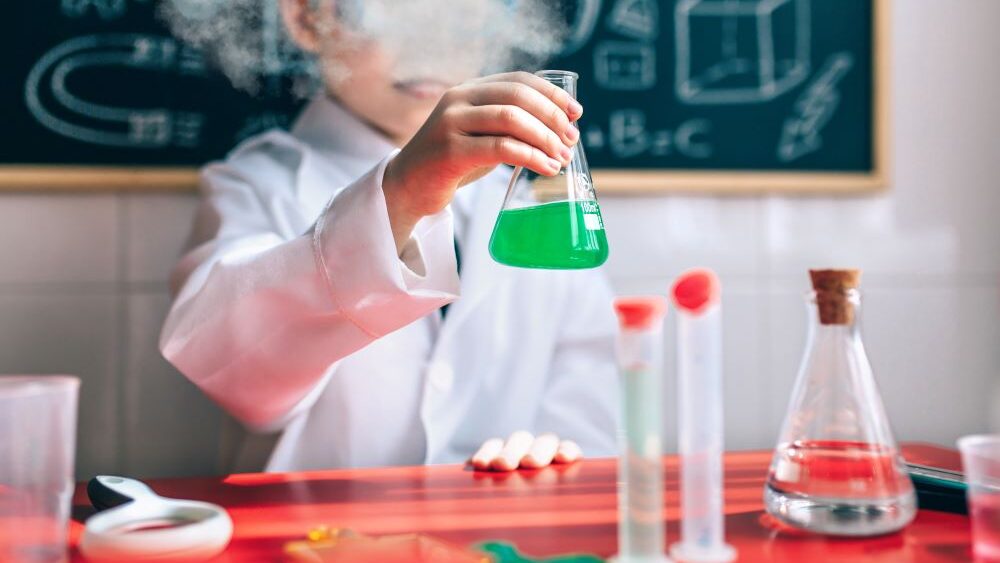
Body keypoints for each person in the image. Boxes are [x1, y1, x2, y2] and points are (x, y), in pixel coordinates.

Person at [160, 0, 619, 472]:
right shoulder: (257, 187)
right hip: (316, 540)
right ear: (306, 17)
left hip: (498, 543)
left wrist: (551, 459)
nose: (429, 45)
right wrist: (402, 193)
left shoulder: (534, 210)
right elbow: (231, 369)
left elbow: (595, 427)